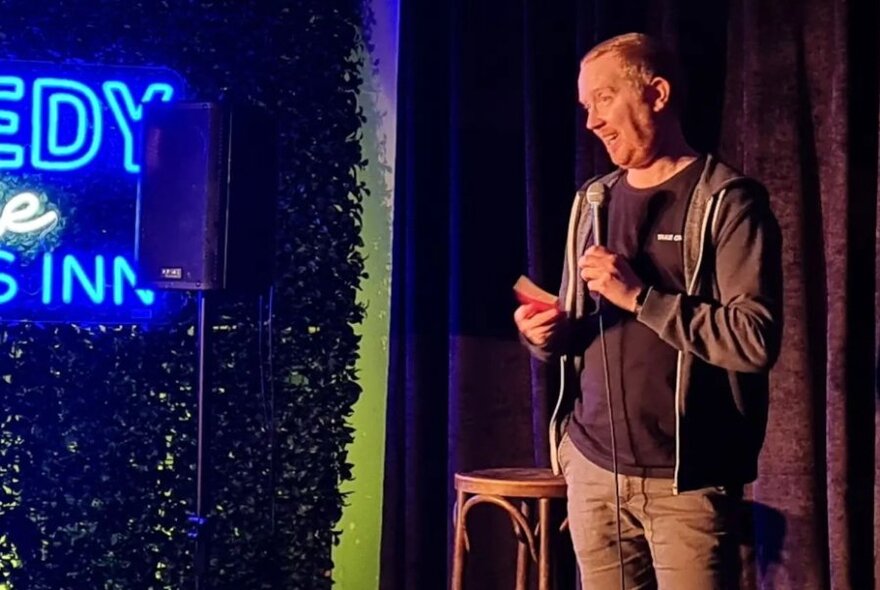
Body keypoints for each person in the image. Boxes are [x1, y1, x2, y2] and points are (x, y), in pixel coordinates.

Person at [514, 32, 782, 590]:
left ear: (657, 94)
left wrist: (639, 297)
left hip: (685, 483)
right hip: (593, 471)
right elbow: (580, 330)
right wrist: (547, 334)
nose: (592, 122)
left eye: (604, 99)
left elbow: (754, 340)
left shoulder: (727, 202)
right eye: (586, 107)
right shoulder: (593, 201)